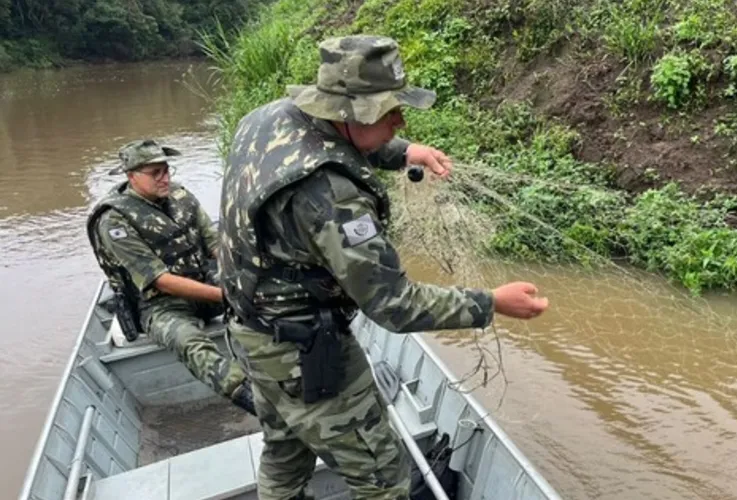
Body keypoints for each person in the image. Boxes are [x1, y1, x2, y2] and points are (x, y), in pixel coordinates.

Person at [218, 35, 550, 500]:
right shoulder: (331, 197)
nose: (401, 120)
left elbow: (334, 144)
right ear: (352, 112)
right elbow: (394, 305)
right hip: (304, 353)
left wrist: (404, 151)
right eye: (391, 112)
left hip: (251, 332)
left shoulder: (266, 119)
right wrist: (492, 303)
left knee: (285, 450)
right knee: (383, 477)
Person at [86, 139, 256, 417]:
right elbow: (159, 280)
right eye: (156, 174)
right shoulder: (114, 221)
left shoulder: (181, 197)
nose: (165, 178)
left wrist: (239, 280)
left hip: (203, 283)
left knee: (266, 295)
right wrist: (225, 296)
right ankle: (254, 401)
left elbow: (215, 245)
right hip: (160, 305)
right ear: (132, 177)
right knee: (190, 342)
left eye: (167, 170)